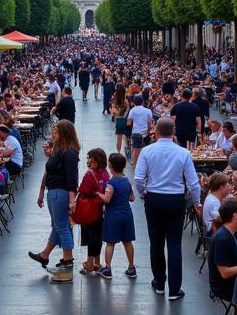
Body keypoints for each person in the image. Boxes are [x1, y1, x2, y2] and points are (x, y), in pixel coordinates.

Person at [134, 116, 201, 301]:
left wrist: (144, 194)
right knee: (174, 244)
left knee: (156, 243)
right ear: (174, 133)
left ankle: (159, 283)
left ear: (155, 132)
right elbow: (194, 184)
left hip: (154, 199)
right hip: (175, 200)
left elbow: (139, 179)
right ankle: (174, 289)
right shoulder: (183, 153)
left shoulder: (147, 151)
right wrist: (196, 202)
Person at [29, 119, 80, 277]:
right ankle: (45, 254)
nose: (53, 133)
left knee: (62, 227)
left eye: (56, 131)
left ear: (63, 133)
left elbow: (72, 178)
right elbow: (52, 170)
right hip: (55, 191)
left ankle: (67, 260)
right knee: (58, 226)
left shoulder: (69, 152)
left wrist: (72, 200)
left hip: (60, 192)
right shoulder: (60, 150)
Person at [207, 196, 237, 301]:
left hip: (234, 281)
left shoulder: (230, 234)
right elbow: (225, 273)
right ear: (235, 216)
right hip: (226, 287)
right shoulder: (222, 239)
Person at [98, 151, 136, 280]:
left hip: (113, 215)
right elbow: (132, 198)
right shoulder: (127, 181)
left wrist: (98, 193)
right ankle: (131, 267)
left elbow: (107, 199)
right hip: (127, 214)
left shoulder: (111, 183)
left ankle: (108, 268)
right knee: (128, 241)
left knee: (110, 242)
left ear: (110, 166)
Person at [77, 148, 109, 276]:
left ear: (97, 160)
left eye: (90, 158)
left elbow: (83, 190)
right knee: (98, 236)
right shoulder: (105, 174)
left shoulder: (90, 174)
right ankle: (97, 261)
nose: (88, 160)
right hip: (100, 209)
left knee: (91, 236)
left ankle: (89, 264)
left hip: (89, 210)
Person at [126, 94, 154, 171]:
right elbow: (150, 123)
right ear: (142, 101)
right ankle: (137, 164)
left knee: (136, 148)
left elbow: (129, 123)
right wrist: (148, 132)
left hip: (135, 132)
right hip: (144, 133)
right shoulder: (148, 111)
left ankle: (134, 165)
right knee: (141, 149)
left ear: (134, 102)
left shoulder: (132, 110)